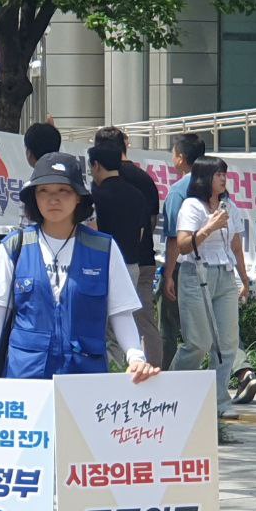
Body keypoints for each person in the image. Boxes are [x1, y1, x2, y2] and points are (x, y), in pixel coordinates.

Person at [0, 152, 158, 388]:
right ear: (34, 197)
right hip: (25, 374)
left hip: (85, 377)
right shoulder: (15, 246)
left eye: (63, 191)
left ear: (78, 198)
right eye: (44, 191)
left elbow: (120, 311)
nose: (53, 199)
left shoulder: (104, 248)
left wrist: (135, 356)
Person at [172, 157, 250, 419]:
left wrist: (244, 278)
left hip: (225, 275)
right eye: (218, 174)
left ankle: (219, 400)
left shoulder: (230, 206)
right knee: (199, 342)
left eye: (225, 174)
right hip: (196, 272)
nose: (223, 179)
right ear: (204, 177)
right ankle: (171, 392)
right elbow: (183, 245)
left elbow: (236, 246)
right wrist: (210, 226)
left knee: (226, 343)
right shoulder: (191, 206)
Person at [94, 125, 162, 366]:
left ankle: (114, 372)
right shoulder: (142, 183)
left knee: (110, 326)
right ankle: (152, 371)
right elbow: (147, 225)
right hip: (140, 261)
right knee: (142, 321)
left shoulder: (97, 190)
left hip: (105, 264)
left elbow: (93, 230)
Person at [159, 133, 206, 369]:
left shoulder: (178, 191)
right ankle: (243, 370)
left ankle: (164, 374)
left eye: (174, 153)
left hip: (183, 266)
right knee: (213, 323)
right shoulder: (214, 186)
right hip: (213, 265)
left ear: (181, 158)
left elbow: (173, 239)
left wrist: (168, 274)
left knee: (168, 323)